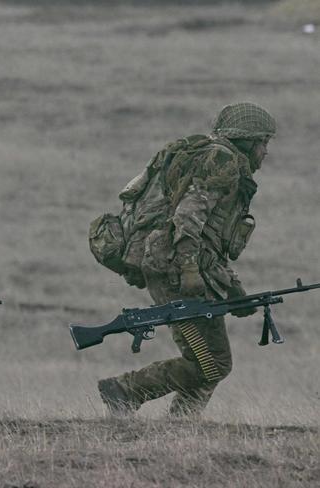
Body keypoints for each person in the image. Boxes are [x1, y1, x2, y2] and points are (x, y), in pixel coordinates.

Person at [97, 102, 276, 417]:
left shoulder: (217, 159)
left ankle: (182, 425)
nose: (265, 151)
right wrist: (190, 271)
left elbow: (211, 242)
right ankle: (126, 389)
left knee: (209, 360)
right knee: (213, 362)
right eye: (264, 142)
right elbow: (188, 218)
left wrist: (235, 293)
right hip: (177, 271)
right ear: (247, 141)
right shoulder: (223, 161)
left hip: (175, 266)